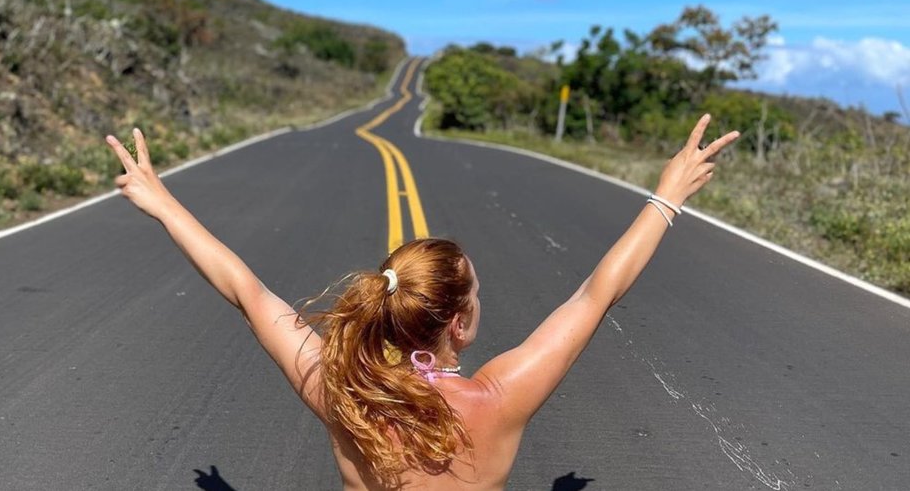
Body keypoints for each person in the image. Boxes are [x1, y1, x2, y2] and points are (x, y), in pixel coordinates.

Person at [105, 113, 739, 490]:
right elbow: (598, 294)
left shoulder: (344, 394)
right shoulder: (498, 398)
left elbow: (245, 290)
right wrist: (666, 196)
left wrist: (162, 203)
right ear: (459, 324)